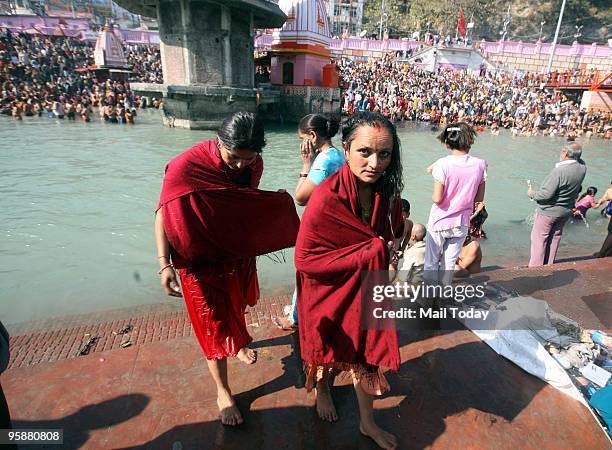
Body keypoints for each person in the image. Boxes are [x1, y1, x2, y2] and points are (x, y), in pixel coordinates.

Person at [155, 112, 299, 426]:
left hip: (233, 252)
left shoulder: (252, 164)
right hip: (197, 261)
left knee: (235, 304)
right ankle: (223, 390)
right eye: (233, 158)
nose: (239, 166)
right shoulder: (185, 167)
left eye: (248, 159)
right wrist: (164, 264)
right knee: (211, 324)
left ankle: (237, 342)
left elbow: (238, 205)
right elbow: (165, 213)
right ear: (219, 142)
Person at [295, 112, 403, 449]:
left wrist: (390, 244)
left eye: (384, 154)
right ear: (346, 148)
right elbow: (304, 258)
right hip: (326, 285)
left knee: (366, 353)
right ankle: (323, 388)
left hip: (366, 282)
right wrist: (370, 251)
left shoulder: (384, 190)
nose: (375, 163)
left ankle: (367, 423)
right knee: (327, 344)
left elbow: (385, 232)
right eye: (365, 152)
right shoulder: (326, 196)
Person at [282, 114, 344, 329]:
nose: (301, 144)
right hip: (334, 226)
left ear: (312, 136)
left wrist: (306, 164)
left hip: (322, 229)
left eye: (302, 139)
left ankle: (295, 319)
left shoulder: (324, 161)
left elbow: (300, 197)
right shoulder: (338, 155)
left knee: (305, 272)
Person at [424, 122, 487, 280]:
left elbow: (437, 198)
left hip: (440, 221)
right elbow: (479, 199)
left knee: (431, 263)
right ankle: (443, 296)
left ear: (447, 143)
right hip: (461, 222)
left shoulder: (442, 164)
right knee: (449, 263)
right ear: (469, 141)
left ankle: (427, 300)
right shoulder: (480, 165)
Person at [527, 142, 587, 267]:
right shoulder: (582, 168)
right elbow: (580, 160)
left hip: (549, 211)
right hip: (566, 210)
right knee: (555, 238)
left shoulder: (559, 171)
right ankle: (548, 265)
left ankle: (535, 269)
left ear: (565, 153)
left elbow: (545, 195)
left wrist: (532, 194)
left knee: (539, 239)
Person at [594, 181, 612, 258]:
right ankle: (609, 251)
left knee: (611, 231)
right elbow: (604, 198)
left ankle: (602, 253)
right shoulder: (609, 190)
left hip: (608, 212)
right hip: (608, 212)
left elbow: (606, 197)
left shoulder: (610, 190)